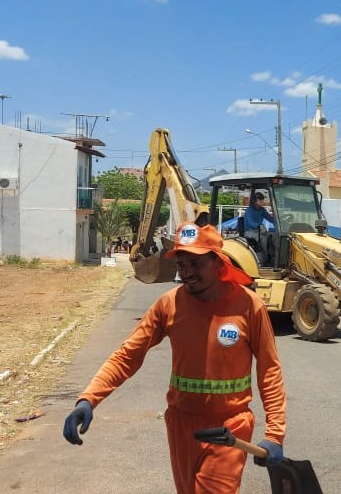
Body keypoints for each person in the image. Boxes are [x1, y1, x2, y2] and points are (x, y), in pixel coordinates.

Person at [63, 222, 287, 494]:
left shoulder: (249, 306)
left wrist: (274, 433)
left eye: (195, 264)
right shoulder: (169, 304)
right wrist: (88, 399)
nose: (187, 272)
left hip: (230, 427)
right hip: (181, 424)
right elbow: (127, 355)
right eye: (181, 264)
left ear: (217, 262)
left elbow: (269, 370)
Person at [243, 192, 274, 262]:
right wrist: (259, 225)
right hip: (249, 231)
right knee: (263, 237)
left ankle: (272, 255)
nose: (262, 201)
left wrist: (277, 221)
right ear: (256, 201)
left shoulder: (262, 210)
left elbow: (269, 218)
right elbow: (251, 223)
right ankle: (264, 258)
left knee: (273, 235)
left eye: (262, 199)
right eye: (260, 200)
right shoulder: (249, 210)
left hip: (258, 230)